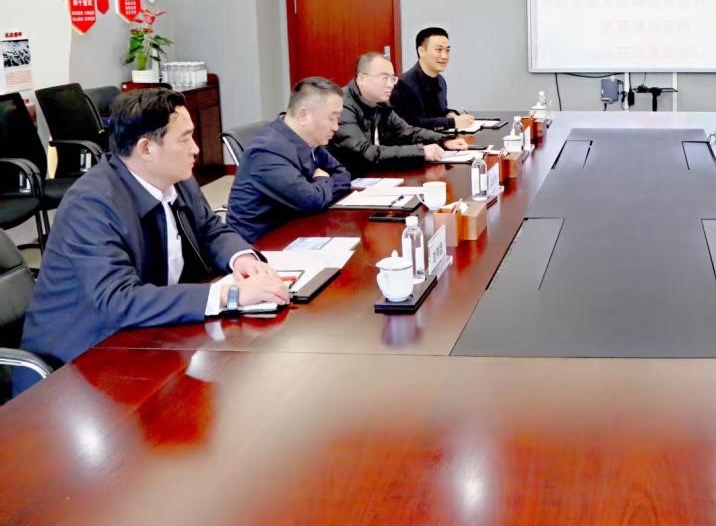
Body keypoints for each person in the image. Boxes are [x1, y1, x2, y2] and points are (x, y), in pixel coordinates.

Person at [21, 89, 291, 367]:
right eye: (184, 139)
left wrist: (242, 258)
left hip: (150, 332)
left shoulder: (177, 178)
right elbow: (119, 300)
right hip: (82, 355)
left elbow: (210, 230)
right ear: (146, 149)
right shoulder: (91, 205)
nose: (196, 149)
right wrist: (230, 295)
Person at [227, 77, 353, 243]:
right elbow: (311, 200)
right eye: (331, 118)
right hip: (261, 245)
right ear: (303, 115)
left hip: (298, 227)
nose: (336, 127)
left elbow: (343, 174)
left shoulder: (310, 140)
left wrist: (319, 190)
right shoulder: (266, 152)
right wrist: (322, 179)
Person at [329, 51, 468, 175]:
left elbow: (407, 131)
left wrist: (444, 140)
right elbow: (366, 152)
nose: (390, 84)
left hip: (372, 174)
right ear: (362, 79)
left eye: (392, 78)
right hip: (347, 181)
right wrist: (421, 152)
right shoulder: (342, 106)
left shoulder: (381, 102)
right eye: (384, 78)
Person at [391, 26, 476, 131]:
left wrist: (450, 114)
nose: (444, 56)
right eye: (439, 50)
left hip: (438, 138)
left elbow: (438, 112)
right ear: (421, 51)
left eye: (447, 50)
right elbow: (411, 124)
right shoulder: (403, 84)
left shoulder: (440, 81)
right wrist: (451, 122)